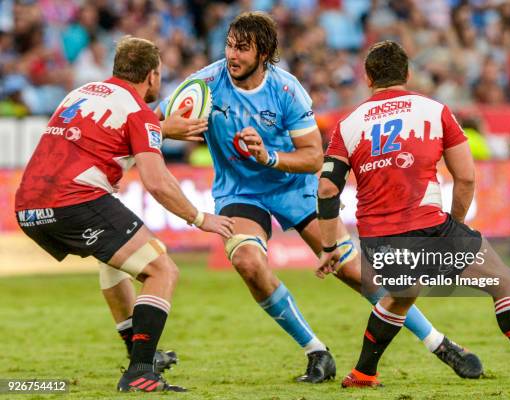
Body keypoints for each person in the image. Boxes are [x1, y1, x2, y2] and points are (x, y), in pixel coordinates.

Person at [159, 11, 483, 382]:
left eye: (243, 49)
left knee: (354, 272)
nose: (232, 55)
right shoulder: (204, 84)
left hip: (295, 188)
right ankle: (316, 352)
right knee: (249, 263)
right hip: (240, 191)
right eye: (230, 46)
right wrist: (168, 127)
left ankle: (440, 343)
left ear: (263, 53)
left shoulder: (287, 90)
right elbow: (150, 123)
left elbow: (315, 156)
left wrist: (269, 156)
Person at [317, 40, 510, 389]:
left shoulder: (347, 124)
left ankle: (364, 373)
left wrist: (330, 244)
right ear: (408, 74)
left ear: (367, 77)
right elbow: (466, 176)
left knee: (402, 294)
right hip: (428, 227)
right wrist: (454, 225)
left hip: (377, 237)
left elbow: (326, 189)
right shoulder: (434, 110)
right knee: (503, 282)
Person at [14, 36, 234, 392]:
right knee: (161, 269)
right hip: (75, 200)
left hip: (27, 206)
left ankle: (138, 352)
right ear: (151, 76)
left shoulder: (83, 92)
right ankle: (141, 372)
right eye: (160, 75)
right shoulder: (138, 111)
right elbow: (157, 181)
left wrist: (159, 128)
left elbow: (102, 134)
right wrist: (199, 218)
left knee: (114, 261)